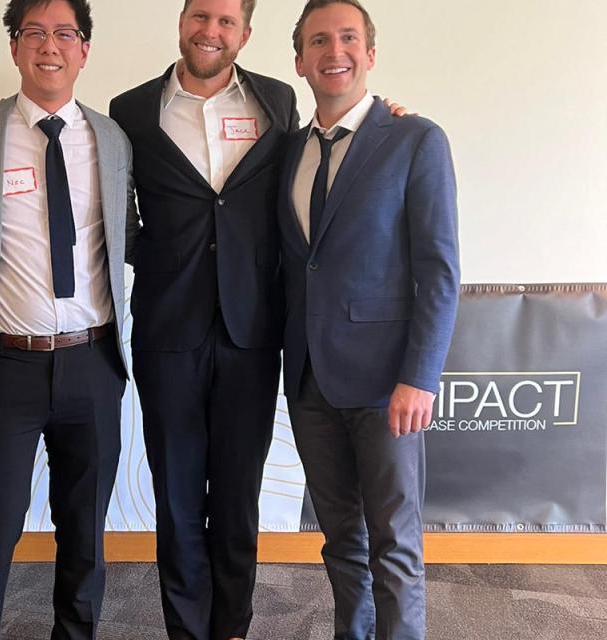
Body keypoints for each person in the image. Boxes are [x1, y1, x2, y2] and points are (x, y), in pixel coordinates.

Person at [0, 1, 136, 638]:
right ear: (15, 46)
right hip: (4, 363)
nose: (50, 45)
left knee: (85, 531)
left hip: (93, 359)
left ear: (84, 49)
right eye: (34, 32)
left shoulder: (112, 138)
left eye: (64, 34)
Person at [108, 2, 298, 639]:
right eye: (199, 15)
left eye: (224, 21)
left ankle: (232, 630)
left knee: (239, 499)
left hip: (251, 329)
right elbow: (114, 209)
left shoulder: (278, 101)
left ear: (245, 32)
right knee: (178, 499)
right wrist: (160, 256)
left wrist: (387, 121)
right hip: (168, 327)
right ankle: (186, 631)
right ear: (182, 20)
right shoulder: (131, 110)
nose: (209, 31)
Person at [279, 1, 460, 638]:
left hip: (388, 387)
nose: (336, 52)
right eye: (319, 41)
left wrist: (421, 377)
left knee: (396, 550)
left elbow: (438, 270)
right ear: (299, 60)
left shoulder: (415, 140)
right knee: (341, 546)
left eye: (349, 38)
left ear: (371, 53)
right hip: (308, 383)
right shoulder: (287, 151)